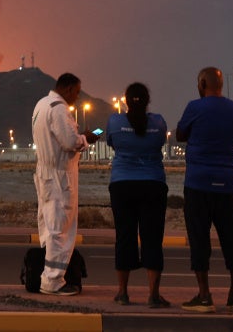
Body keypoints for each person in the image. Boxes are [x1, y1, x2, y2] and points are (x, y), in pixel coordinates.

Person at [174, 66, 233, 313]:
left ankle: (204, 296)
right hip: (226, 184)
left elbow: (180, 134)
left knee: (199, 239)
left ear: (202, 85)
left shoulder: (195, 107)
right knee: (232, 239)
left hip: (197, 183)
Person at [31, 72, 100, 296]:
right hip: (60, 178)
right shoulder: (59, 109)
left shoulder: (41, 104)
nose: (77, 98)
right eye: (77, 93)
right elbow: (70, 141)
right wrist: (86, 139)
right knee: (60, 230)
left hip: (45, 174)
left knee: (49, 228)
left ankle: (49, 275)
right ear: (69, 89)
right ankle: (53, 281)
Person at [105, 82, 169, 308]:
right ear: (147, 100)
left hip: (122, 184)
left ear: (125, 100)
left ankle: (122, 293)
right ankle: (153, 295)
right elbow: (161, 141)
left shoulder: (115, 121)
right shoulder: (159, 122)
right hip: (153, 184)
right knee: (152, 238)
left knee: (124, 237)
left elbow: (111, 142)